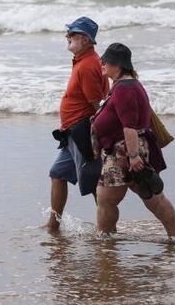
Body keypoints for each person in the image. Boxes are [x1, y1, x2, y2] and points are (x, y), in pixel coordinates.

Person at [91, 43, 175, 240]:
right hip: (127, 149)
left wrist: (133, 157)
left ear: (118, 65)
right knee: (153, 198)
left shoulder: (125, 88)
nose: (102, 64)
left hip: (124, 151)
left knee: (106, 199)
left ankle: (104, 239)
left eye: (106, 61)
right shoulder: (126, 85)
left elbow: (129, 126)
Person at [46, 16, 109, 232]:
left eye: (72, 34)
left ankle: (107, 230)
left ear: (85, 39)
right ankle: (53, 224)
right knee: (57, 173)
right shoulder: (82, 61)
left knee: (93, 182)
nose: (68, 37)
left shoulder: (88, 65)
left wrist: (96, 138)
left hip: (82, 131)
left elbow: (97, 105)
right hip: (71, 131)